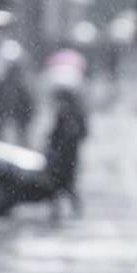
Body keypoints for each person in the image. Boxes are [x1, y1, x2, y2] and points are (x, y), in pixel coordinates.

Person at [46, 89, 87, 217]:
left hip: (70, 156)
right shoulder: (61, 115)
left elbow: (83, 133)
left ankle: (75, 208)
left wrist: (72, 135)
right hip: (60, 156)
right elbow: (55, 134)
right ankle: (58, 209)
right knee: (58, 184)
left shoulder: (76, 115)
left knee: (67, 184)